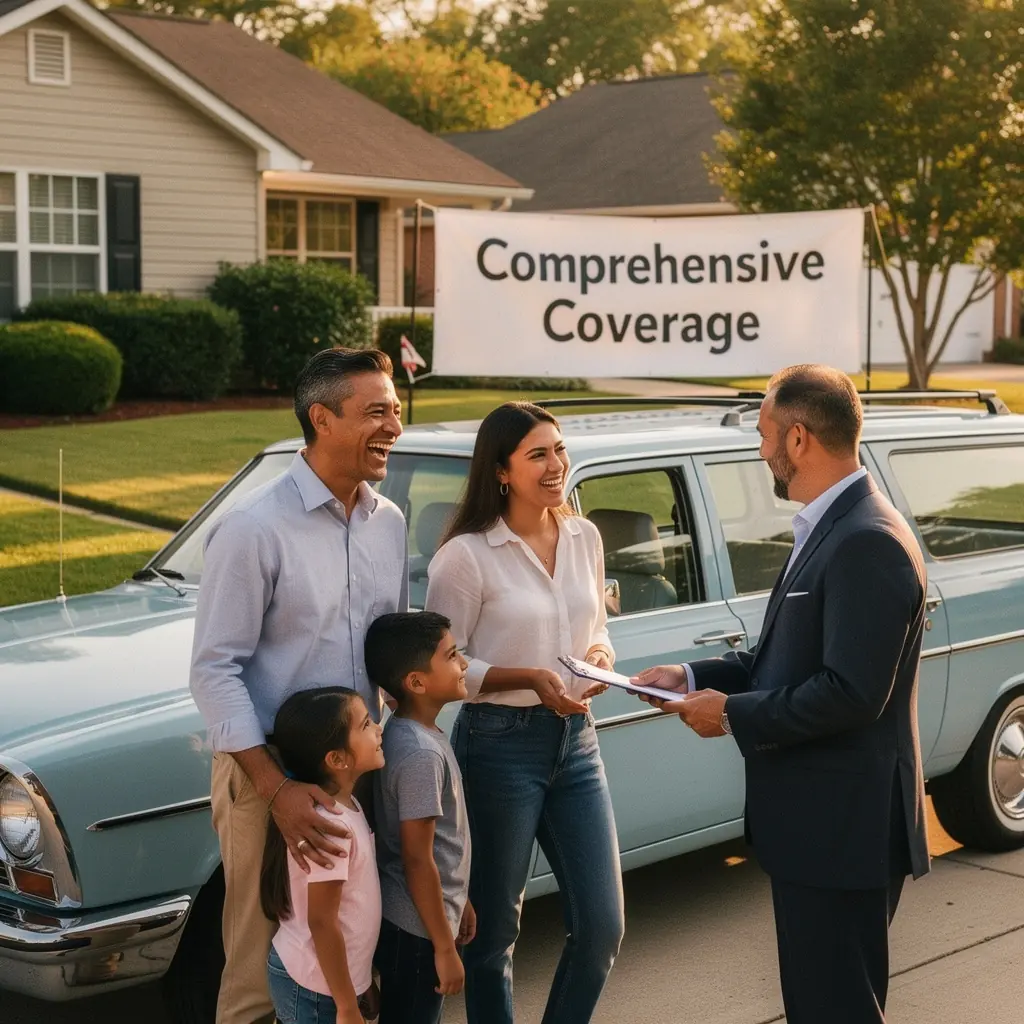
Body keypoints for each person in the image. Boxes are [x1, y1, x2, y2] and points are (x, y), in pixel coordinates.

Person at [633, 364, 931, 1024]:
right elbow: (785, 660)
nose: (761, 449)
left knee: (835, 1010)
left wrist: (731, 714)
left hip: (841, 829)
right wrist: (689, 677)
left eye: (766, 434)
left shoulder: (866, 541)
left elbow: (851, 693)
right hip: (821, 827)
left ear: (798, 439)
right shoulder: (834, 526)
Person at [189, 347, 407, 1024]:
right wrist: (276, 789)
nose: (394, 428)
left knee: (346, 956)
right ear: (322, 418)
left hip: (352, 776)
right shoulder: (252, 530)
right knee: (259, 973)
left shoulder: (389, 524)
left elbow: (390, 654)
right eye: (376, 412)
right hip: (267, 777)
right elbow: (213, 668)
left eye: (396, 411)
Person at [425, 401, 624, 1024]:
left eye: (558, 449)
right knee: (491, 937)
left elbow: (596, 632)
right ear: (502, 470)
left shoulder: (584, 536)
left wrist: (597, 655)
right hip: (497, 746)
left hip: (577, 744)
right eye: (538, 454)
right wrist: (529, 679)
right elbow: (446, 671)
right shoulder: (465, 556)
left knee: (602, 926)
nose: (555, 464)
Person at [365, 611, 474, 1024]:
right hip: (416, 933)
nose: (463, 663)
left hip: (424, 920)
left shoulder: (414, 734)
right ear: (416, 682)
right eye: (452, 655)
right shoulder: (420, 755)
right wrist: (443, 949)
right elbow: (416, 857)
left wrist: (460, 902)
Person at [260, 687, 384, 1024]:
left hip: (330, 982)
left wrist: (359, 985)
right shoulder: (330, 825)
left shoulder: (348, 805)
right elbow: (322, 921)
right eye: (367, 724)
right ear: (337, 759)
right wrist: (346, 1003)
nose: (379, 729)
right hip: (315, 987)